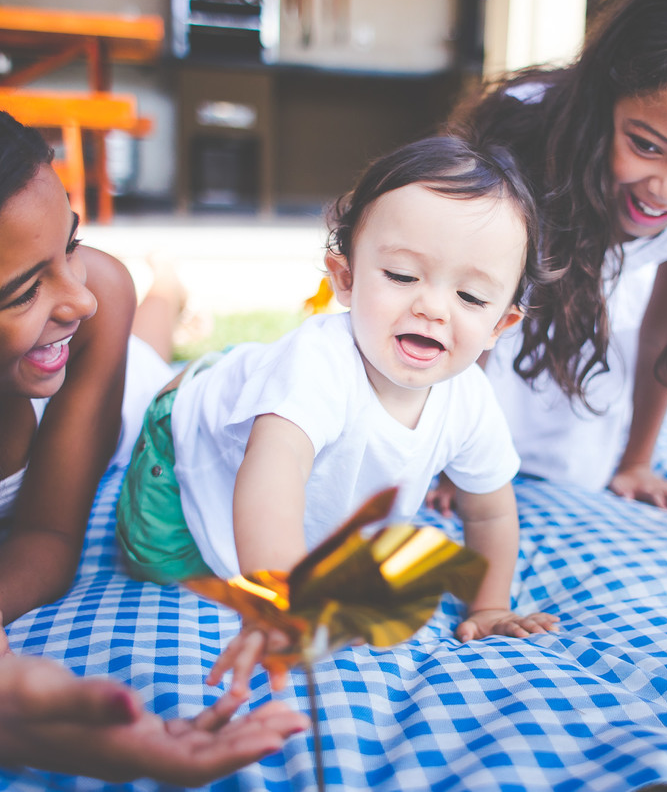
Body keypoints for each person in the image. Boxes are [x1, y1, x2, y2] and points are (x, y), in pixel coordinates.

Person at [0, 64, 306, 782]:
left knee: (147, 344)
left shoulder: (96, 298)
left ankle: (168, 282)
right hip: (41, 367)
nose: (75, 295)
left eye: (70, 243)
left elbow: (49, 534)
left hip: (117, 392)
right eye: (23, 289)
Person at [116, 135, 559, 698]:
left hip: (263, 392)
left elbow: (490, 513)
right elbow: (271, 479)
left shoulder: (469, 399)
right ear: (345, 278)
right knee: (158, 557)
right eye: (402, 276)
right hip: (182, 445)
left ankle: (196, 326)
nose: (432, 307)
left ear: (501, 324)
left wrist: (490, 605)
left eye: (471, 297)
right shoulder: (319, 366)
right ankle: (167, 290)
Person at [433, 0, 667, 513]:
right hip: (468, 354)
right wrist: (454, 458)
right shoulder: (520, 145)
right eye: (647, 146)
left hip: (571, 359)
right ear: (605, 99)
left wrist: (636, 461)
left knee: (576, 466)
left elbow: (662, 332)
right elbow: (469, 313)